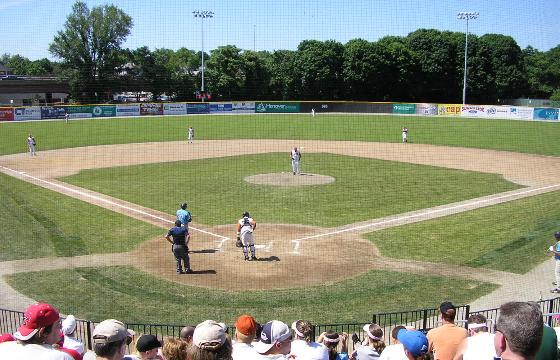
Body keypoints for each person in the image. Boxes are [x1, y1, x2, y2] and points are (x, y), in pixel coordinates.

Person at [0, 302, 73, 359]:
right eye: (58, 324)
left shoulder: (3, 348)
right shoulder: (60, 357)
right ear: (43, 332)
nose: (61, 326)